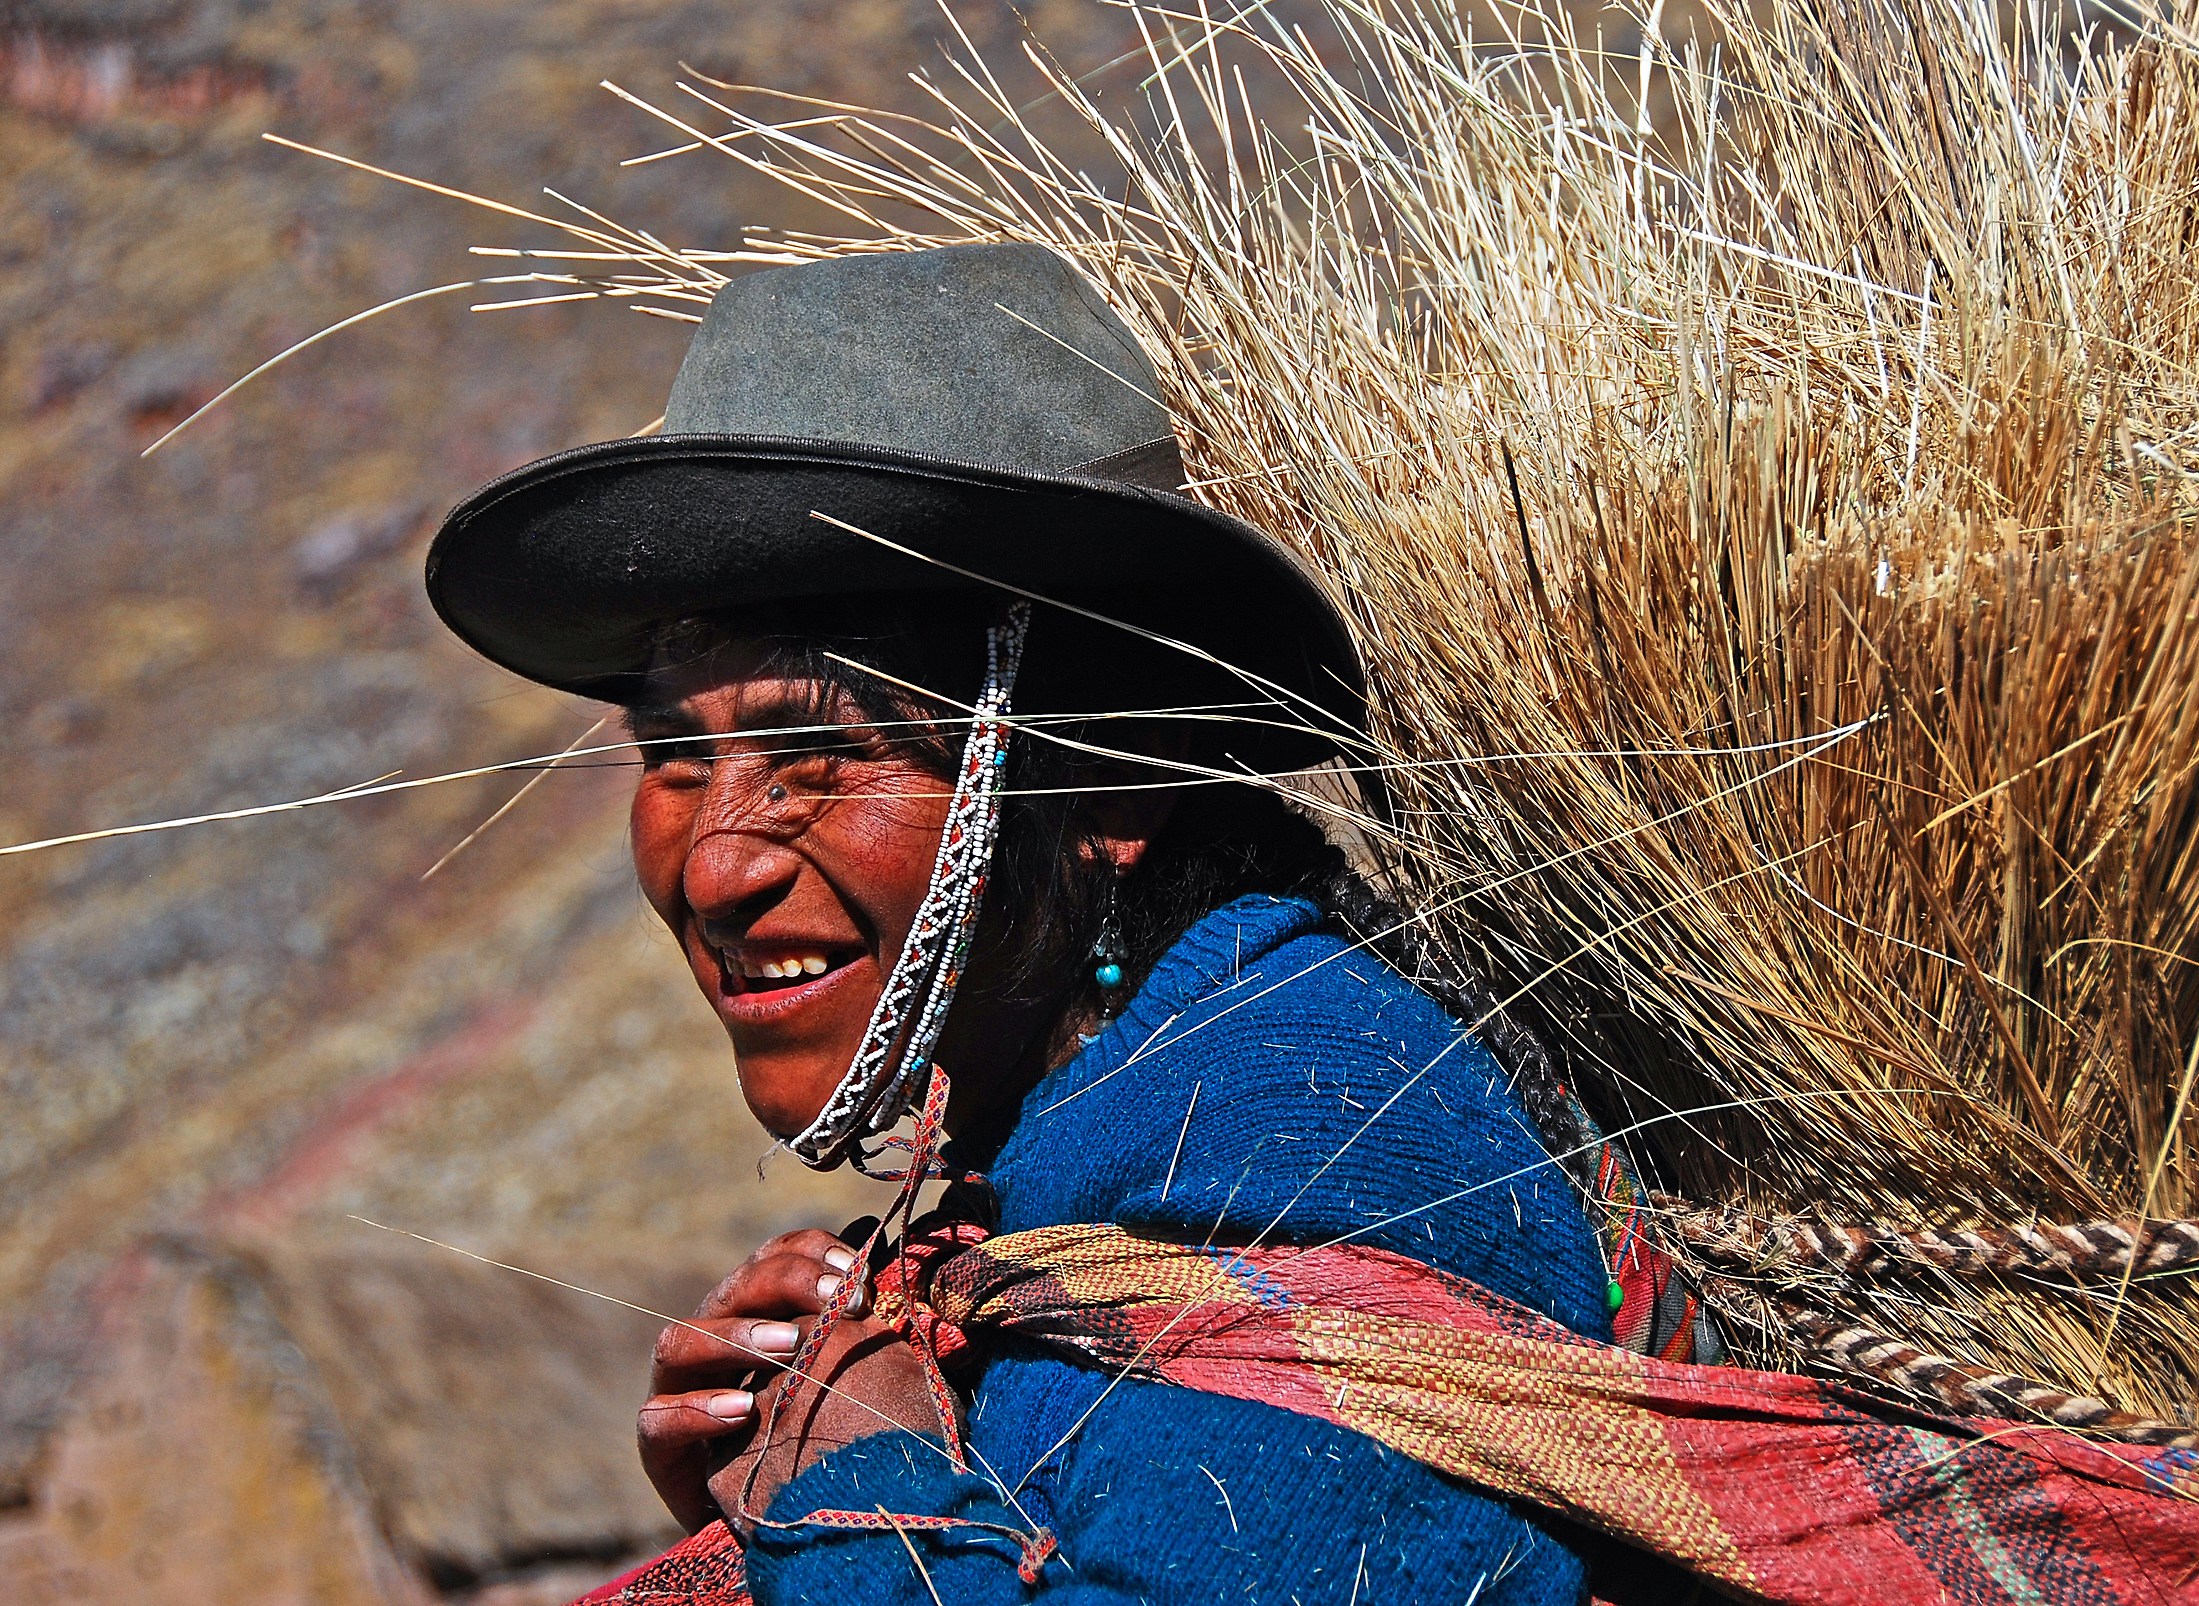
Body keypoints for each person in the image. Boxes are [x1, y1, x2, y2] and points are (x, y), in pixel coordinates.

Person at [423, 243, 1695, 1603]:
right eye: (675, 756)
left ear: (1111, 775)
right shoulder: (1083, 1132)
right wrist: (763, 1488)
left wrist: (852, 1495)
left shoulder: (1305, 1114)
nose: (717, 861)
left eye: (816, 756)